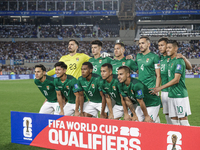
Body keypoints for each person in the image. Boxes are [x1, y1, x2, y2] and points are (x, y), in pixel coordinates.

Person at [151, 40, 191, 126]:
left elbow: (177, 78)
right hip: (170, 94)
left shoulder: (178, 59)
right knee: (172, 119)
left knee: (183, 119)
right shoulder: (166, 60)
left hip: (179, 94)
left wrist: (183, 58)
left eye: (168, 47)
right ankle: (174, 136)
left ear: (175, 48)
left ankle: (189, 138)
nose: (161, 47)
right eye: (159, 45)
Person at [136, 36, 161, 123]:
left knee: (148, 121)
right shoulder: (138, 56)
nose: (140, 45)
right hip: (140, 90)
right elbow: (139, 70)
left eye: (143, 43)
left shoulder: (154, 57)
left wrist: (157, 88)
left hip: (151, 90)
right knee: (140, 118)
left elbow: (158, 75)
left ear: (148, 44)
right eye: (139, 43)